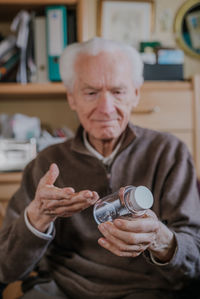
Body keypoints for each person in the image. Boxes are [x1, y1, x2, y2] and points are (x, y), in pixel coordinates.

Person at [0, 37, 200, 299]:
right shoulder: (46, 164)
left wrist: (160, 239)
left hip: (148, 290)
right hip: (63, 288)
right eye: (91, 92)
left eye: (118, 92)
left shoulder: (169, 152)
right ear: (72, 98)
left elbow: (195, 261)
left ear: (135, 94)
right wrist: (37, 218)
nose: (106, 109)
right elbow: (5, 268)